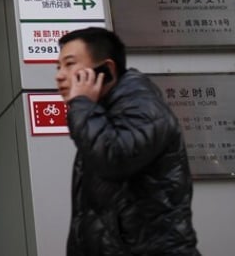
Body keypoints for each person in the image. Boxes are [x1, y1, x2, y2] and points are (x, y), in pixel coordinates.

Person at [56, 26, 200, 255]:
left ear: (107, 69)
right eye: (59, 66)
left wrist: (81, 104)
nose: (60, 75)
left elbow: (113, 159)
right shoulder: (102, 114)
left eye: (70, 64)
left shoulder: (144, 108)